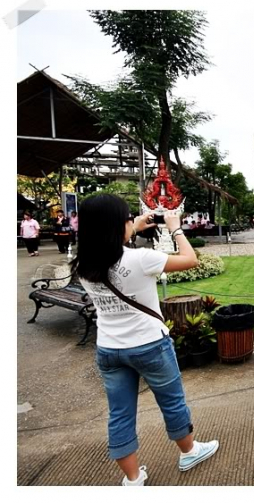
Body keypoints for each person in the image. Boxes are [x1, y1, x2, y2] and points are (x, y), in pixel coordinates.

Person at [72, 194, 219, 485]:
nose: (132, 221)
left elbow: (110, 255)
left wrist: (133, 227)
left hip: (110, 348)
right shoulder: (142, 259)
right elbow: (190, 260)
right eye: (128, 218)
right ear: (117, 226)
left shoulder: (84, 265)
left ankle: (132, 478)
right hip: (150, 344)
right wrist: (176, 228)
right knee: (172, 402)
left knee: (120, 414)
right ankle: (188, 451)